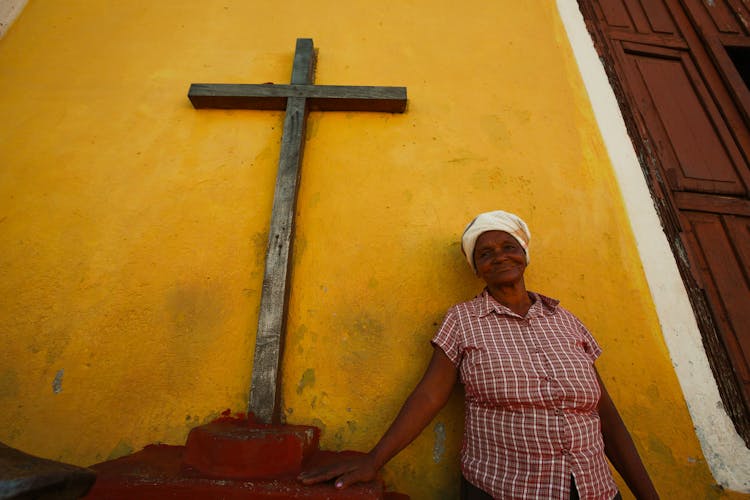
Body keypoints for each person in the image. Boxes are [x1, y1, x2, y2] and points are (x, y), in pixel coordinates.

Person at [298, 210, 659, 499]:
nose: (499, 256)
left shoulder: (566, 321)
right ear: (476, 268)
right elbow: (429, 396)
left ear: (524, 254)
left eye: (508, 246)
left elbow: (605, 415)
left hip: (593, 488)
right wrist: (375, 459)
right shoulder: (463, 320)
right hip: (505, 489)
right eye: (485, 253)